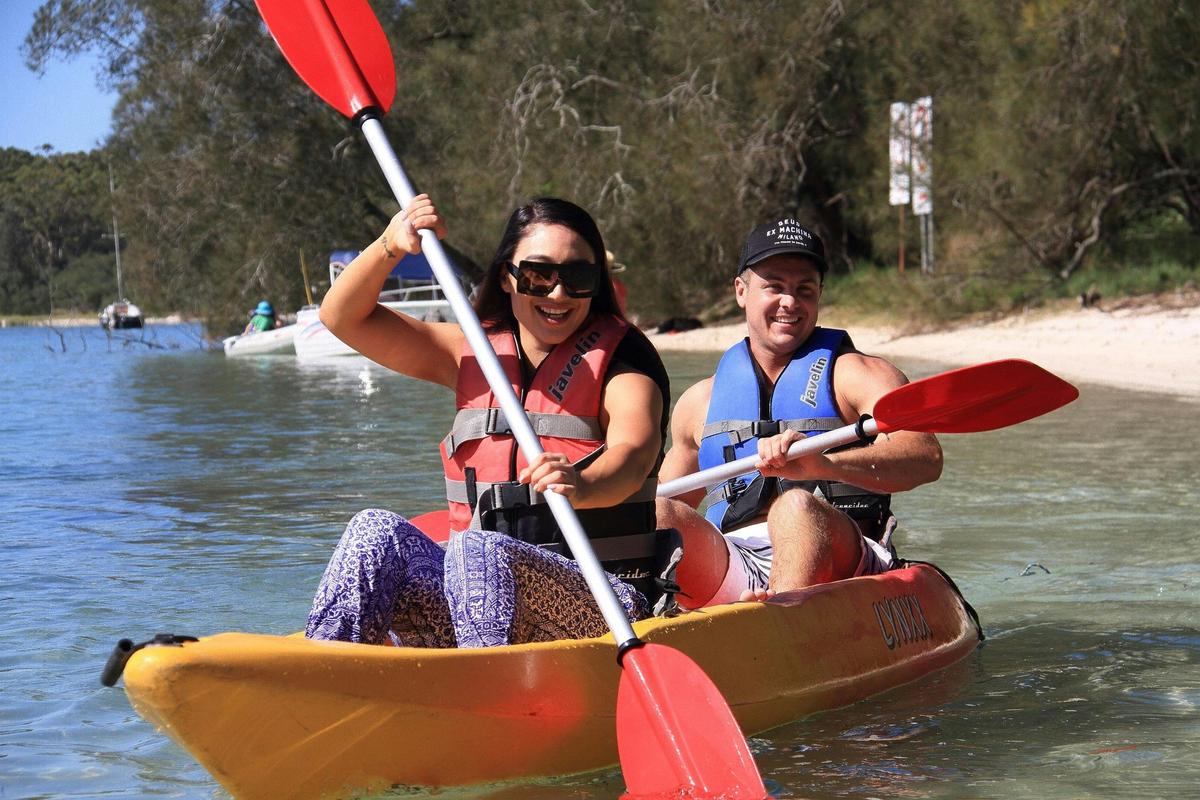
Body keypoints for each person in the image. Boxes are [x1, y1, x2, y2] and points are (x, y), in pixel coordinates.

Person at [306, 194, 671, 648]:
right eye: (539, 275)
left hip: (603, 599)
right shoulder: (473, 352)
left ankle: (484, 686)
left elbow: (632, 455)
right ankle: (330, 666)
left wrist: (583, 483)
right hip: (475, 593)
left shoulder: (624, 359)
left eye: (578, 277)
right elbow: (340, 318)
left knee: (479, 550)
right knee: (373, 532)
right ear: (507, 276)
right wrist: (390, 244)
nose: (558, 293)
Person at [657, 217, 943, 607]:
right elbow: (667, 503)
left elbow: (926, 458)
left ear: (819, 295)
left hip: (842, 553)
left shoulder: (858, 375)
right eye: (774, 286)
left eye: (804, 289)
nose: (790, 302)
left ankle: (778, 623)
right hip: (737, 561)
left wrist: (823, 465)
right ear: (741, 291)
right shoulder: (699, 402)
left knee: (794, 507)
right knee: (659, 513)